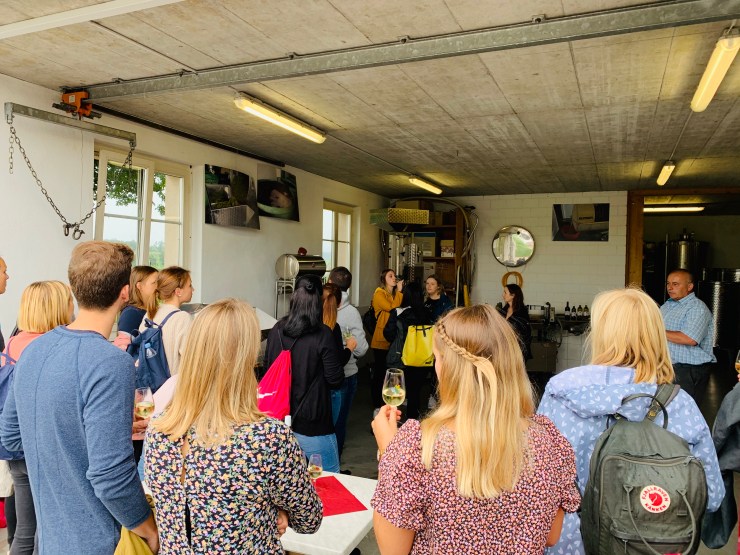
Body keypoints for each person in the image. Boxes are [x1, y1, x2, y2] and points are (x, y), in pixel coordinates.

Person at [371, 304, 580, 554]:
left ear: (448, 367)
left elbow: (393, 550)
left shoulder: (416, 447)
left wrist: (390, 454)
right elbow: (551, 536)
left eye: (437, 358)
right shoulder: (549, 442)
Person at [537, 287, 724, 555]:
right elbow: (711, 496)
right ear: (656, 335)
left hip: (571, 543)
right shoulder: (679, 404)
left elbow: (539, 483)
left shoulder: (562, 392)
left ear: (601, 333)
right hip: (649, 545)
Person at [0, 241, 158, 554]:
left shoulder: (32, 350)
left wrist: (100, 431)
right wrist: (149, 529)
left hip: (50, 540)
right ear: (125, 292)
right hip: (99, 541)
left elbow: (12, 436)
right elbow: (110, 477)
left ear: (74, 289)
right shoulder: (111, 362)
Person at [145, 298, 322, 553]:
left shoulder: (159, 430)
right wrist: (277, 511)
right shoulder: (266, 438)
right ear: (245, 359)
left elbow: (187, 506)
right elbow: (309, 519)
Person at [1, 281, 74, 555]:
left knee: (24, 531)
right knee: (45, 533)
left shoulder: (13, 342)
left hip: (14, 446)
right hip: (40, 447)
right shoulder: (47, 348)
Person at [264, 274, 344, 472]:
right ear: (318, 300)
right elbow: (335, 380)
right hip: (313, 421)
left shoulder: (277, 329)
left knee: (288, 481)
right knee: (329, 477)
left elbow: (268, 369)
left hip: (278, 421)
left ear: (294, 297)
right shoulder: (323, 334)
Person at [328, 266, 368, 458]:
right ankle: (334, 464)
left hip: (322, 376)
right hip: (346, 373)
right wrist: (350, 350)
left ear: (329, 282)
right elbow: (361, 347)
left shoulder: (318, 307)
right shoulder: (351, 312)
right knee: (339, 422)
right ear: (349, 286)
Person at [660, 269, 716, 405]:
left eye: (675, 284)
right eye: (668, 283)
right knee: (666, 409)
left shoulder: (697, 308)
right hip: (668, 366)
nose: (670, 287)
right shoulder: (668, 305)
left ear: (689, 286)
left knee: (684, 409)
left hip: (689, 369)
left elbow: (689, 339)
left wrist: (655, 331)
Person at [383, 281, 434, 420]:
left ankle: (393, 421)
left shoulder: (398, 312)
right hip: (420, 359)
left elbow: (388, 334)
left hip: (399, 359)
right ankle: (412, 422)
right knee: (415, 392)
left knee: (394, 391)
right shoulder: (426, 313)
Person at [140, 266, 194, 376]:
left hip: (152, 382)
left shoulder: (150, 312)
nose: (193, 289)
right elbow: (191, 359)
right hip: (173, 383)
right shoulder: (182, 318)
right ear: (178, 291)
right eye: (190, 285)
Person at [322, 283, 357, 424]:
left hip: (314, 385)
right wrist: (349, 348)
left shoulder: (313, 324)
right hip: (332, 384)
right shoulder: (333, 327)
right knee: (337, 425)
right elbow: (337, 361)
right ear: (339, 303)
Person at [370, 269, 404, 413]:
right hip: (380, 339)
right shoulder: (379, 294)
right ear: (384, 279)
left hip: (392, 338)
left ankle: (389, 400)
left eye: (394, 275)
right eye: (390, 276)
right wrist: (400, 291)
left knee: (390, 371)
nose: (394, 278)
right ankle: (377, 404)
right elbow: (392, 308)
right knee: (380, 372)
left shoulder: (392, 295)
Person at [117, 265, 159, 337]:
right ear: (139, 286)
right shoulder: (131, 313)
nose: (158, 286)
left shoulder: (151, 310)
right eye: (154, 282)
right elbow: (124, 343)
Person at [498, 283, 532, 361]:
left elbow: (524, 333)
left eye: (505, 292)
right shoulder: (503, 310)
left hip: (517, 351)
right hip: (504, 349)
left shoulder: (522, 312)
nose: (503, 295)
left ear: (513, 295)